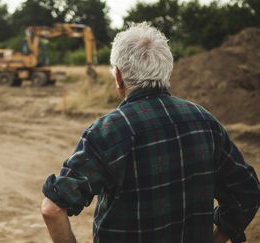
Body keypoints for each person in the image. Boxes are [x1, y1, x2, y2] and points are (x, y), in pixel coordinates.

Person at [41, 22, 260, 243]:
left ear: (118, 76)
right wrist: (217, 239)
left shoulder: (108, 131)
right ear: (167, 70)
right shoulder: (205, 120)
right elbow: (246, 191)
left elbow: (52, 209)